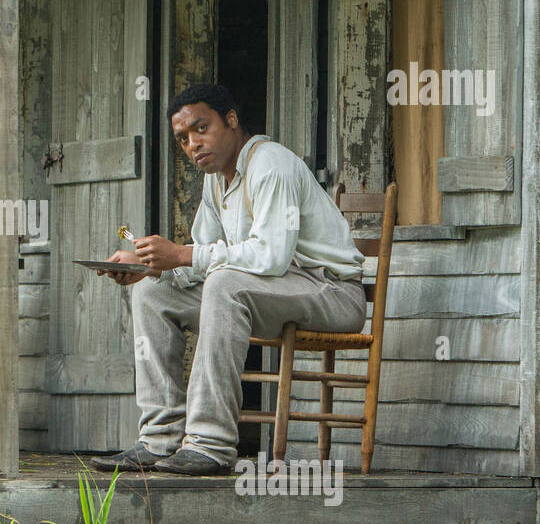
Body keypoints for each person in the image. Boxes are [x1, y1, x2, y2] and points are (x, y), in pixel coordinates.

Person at [89, 82, 367, 476]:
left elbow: (269, 256)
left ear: (232, 120)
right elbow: (206, 254)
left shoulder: (271, 165)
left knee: (225, 284)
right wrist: (150, 264)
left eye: (201, 128)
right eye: (183, 138)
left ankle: (210, 444)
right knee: (154, 291)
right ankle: (160, 438)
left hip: (332, 294)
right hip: (274, 290)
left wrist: (182, 254)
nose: (193, 144)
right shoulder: (216, 180)